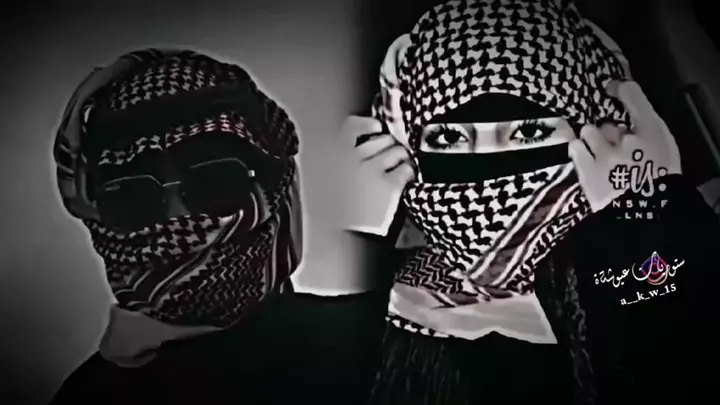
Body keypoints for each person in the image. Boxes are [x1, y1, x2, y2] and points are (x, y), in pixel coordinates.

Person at [341, 1, 720, 404]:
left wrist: (646, 227)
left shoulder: (691, 259)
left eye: (531, 131)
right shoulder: (378, 305)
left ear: (602, 131)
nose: (487, 171)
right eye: (449, 138)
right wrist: (341, 247)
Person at [49, 49, 310, 404]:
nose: (176, 218)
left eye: (216, 182)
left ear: (275, 188)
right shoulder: (86, 397)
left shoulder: (366, 347)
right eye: (132, 197)